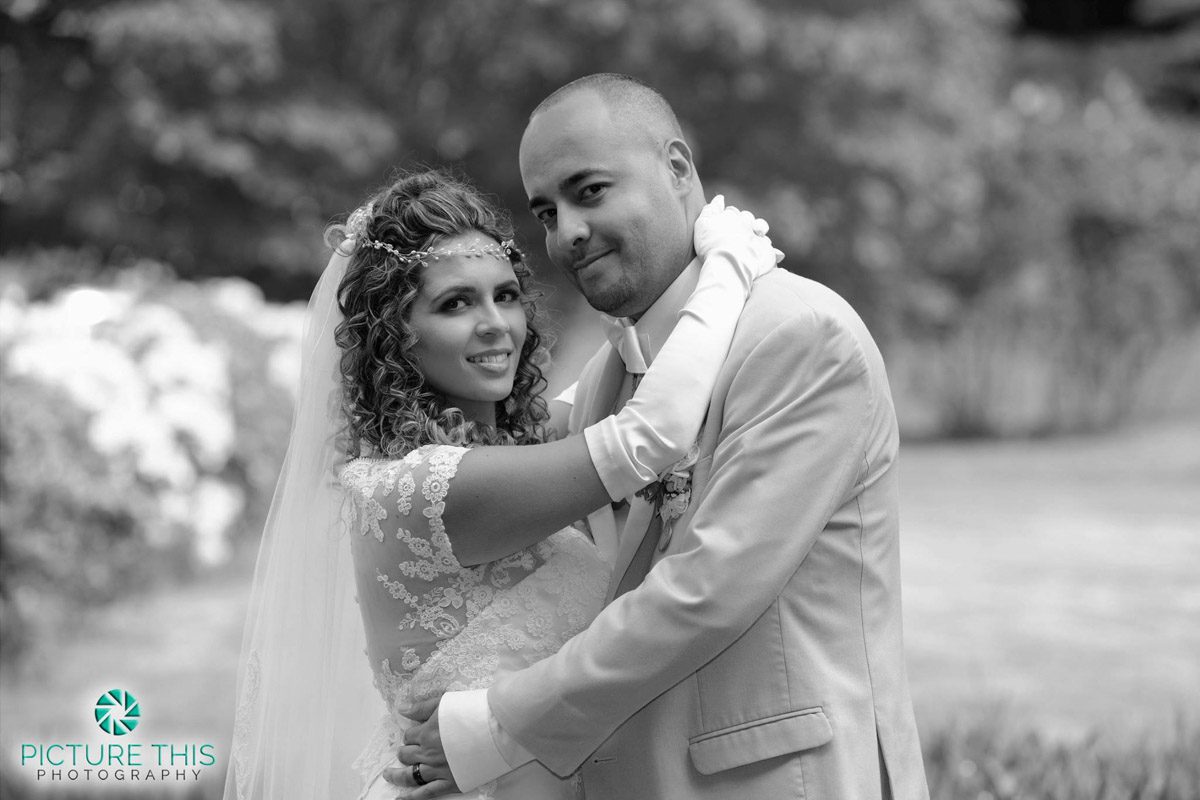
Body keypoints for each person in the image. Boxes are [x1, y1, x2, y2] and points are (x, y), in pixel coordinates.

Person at [396, 74, 930, 799]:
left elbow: (708, 589)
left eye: (590, 191)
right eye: (547, 212)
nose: (567, 234)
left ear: (677, 169)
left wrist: (494, 726)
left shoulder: (799, 336)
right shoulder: (612, 373)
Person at [222, 168, 779, 800]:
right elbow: (651, 433)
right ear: (395, 334)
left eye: (506, 295)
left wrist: (666, 270)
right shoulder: (424, 488)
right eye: (455, 303)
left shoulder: (514, 452)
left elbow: (632, 368)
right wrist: (729, 262)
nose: (495, 324)